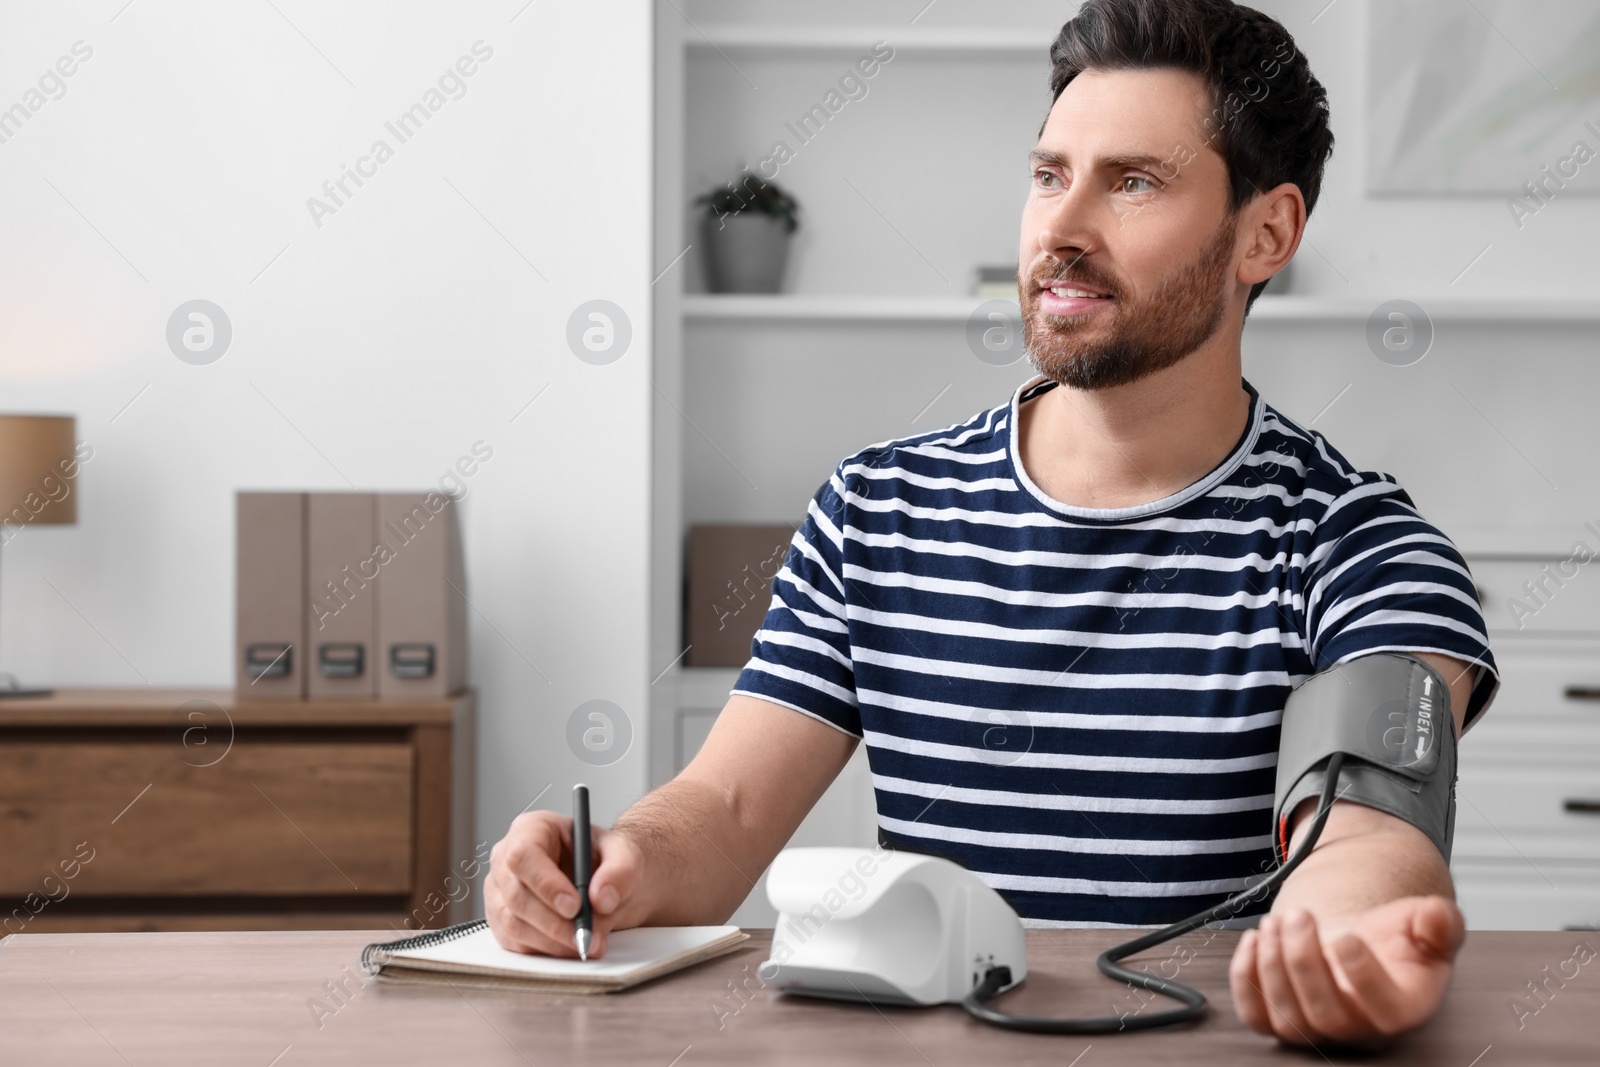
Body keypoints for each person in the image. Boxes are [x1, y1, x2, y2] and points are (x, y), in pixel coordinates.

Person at [487, 0, 1499, 1046]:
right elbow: (730, 807)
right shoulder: (873, 510)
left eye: (1134, 182)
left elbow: (1366, 831)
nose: (1060, 229)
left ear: (1266, 232)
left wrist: (1342, 941)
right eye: (1049, 174)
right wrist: (618, 860)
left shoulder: (1360, 547)